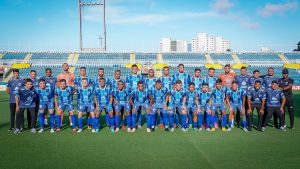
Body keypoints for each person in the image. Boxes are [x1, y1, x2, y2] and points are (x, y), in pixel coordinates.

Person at [126, 64, 144, 129]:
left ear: (137, 69)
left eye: (135, 69)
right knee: (130, 109)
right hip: (130, 95)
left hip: (138, 95)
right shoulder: (128, 77)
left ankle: (139, 123)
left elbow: (143, 86)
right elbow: (127, 87)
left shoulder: (140, 77)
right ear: (131, 69)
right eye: (133, 69)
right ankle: (131, 124)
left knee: (139, 110)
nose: (134, 70)